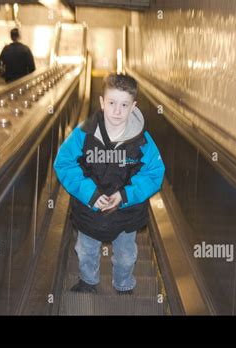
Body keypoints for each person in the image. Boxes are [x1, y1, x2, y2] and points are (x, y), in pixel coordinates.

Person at [53, 73, 165, 294]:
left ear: (134, 106)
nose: (117, 111)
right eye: (112, 103)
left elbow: (155, 172)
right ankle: (88, 281)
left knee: (126, 255)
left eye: (124, 105)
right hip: (89, 211)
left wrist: (125, 195)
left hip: (127, 213)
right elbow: (64, 163)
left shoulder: (142, 141)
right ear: (102, 103)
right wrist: (90, 195)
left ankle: (123, 283)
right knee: (86, 250)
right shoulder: (83, 134)